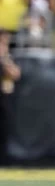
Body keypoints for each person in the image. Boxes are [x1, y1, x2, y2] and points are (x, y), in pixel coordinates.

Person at [0, 30, 20, 166]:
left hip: (5, 94)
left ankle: (3, 158)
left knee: (4, 127)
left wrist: (5, 60)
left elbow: (15, 74)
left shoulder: (9, 56)